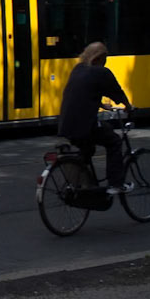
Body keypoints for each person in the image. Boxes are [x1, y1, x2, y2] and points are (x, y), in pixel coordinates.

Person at [57, 40, 130, 192]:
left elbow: (82, 94)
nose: (105, 63)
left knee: (87, 150)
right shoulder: (101, 72)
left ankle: (83, 186)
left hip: (65, 124)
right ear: (98, 58)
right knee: (114, 142)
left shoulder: (78, 69)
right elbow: (118, 93)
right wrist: (129, 108)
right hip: (84, 126)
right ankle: (116, 184)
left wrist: (101, 105)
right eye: (105, 60)